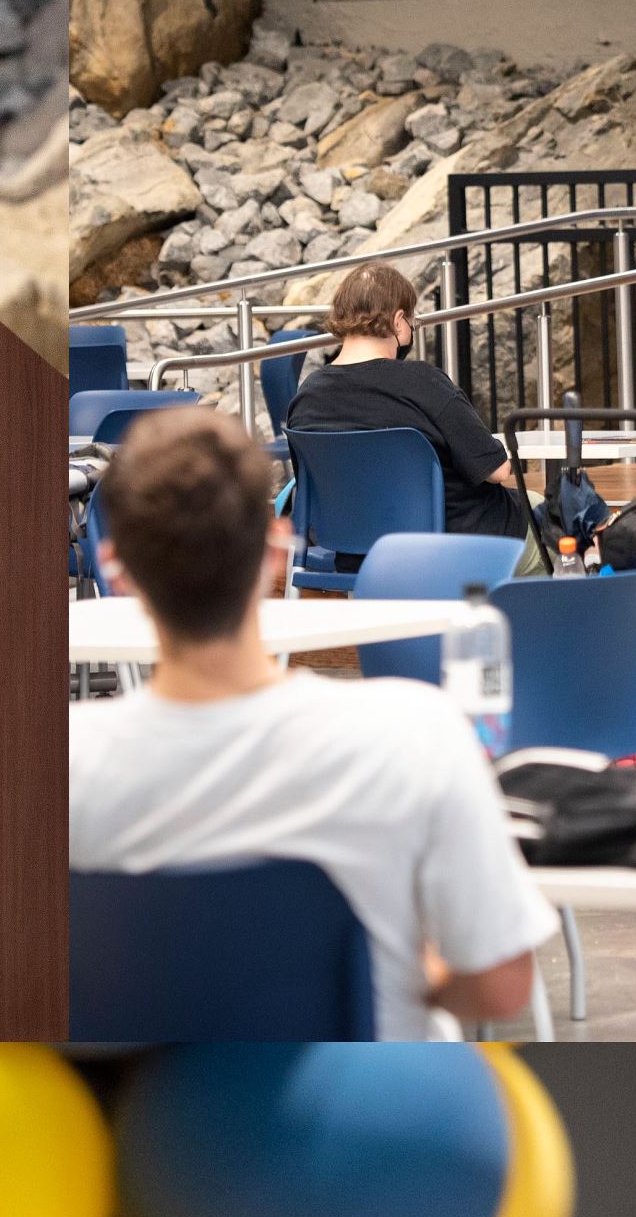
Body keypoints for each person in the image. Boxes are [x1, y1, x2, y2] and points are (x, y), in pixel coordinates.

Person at [71, 407, 552, 1037]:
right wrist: (409, 976)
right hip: (366, 1109)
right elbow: (500, 983)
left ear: (115, 569)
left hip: (152, 1116)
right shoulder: (414, 736)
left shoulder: (60, 771)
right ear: (277, 551)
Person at [284, 262, 542, 564]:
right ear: (397, 321)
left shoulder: (306, 397)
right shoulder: (423, 382)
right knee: (547, 516)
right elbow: (498, 471)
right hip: (456, 550)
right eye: (411, 320)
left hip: (356, 557)